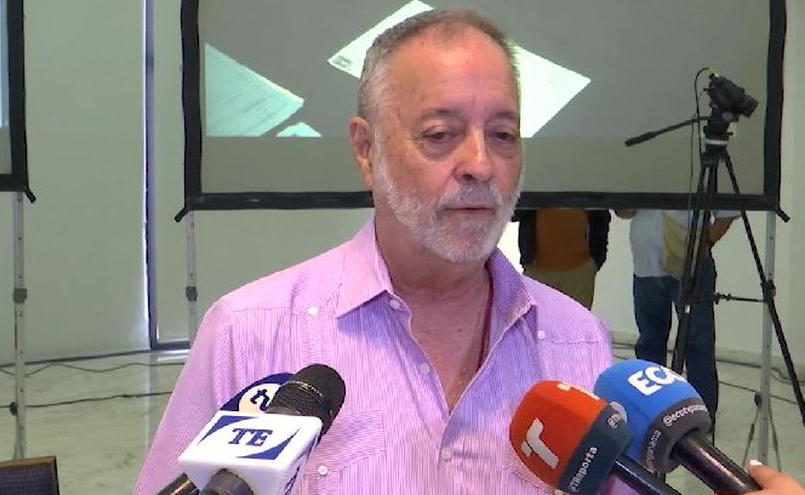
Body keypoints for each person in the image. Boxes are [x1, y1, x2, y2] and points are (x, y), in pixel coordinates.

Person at [136, 9, 634, 494]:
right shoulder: (247, 334)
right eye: (440, 135)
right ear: (366, 149)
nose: (481, 165)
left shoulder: (577, 341)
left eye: (503, 135)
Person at [614, 208, 736, 418]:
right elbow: (624, 213)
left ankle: (700, 414)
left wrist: (707, 242)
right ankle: (651, 410)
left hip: (691, 265)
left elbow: (728, 211)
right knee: (650, 341)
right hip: (645, 265)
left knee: (697, 342)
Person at [514, 208, 611, 309]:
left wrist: (595, 261)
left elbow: (601, 213)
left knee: (575, 318)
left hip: (579, 271)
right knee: (537, 318)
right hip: (537, 271)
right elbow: (514, 212)